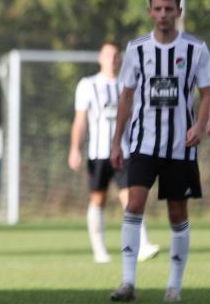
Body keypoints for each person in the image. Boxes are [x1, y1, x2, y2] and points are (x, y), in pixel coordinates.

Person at [109, 0, 210, 303]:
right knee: (134, 205)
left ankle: (174, 286)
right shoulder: (136, 49)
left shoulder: (196, 49)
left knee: (177, 214)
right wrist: (117, 142)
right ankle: (127, 282)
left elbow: (207, 91)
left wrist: (199, 125)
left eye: (169, 9)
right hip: (143, 142)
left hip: (181, 145)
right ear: (149, 12)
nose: (164, 15)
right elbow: (126, 97)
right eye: (158, 9)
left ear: (178, 12)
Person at [68, 41, 159, 263]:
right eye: (108, 55)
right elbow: (80, 120)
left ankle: (142, 245)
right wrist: (75, 149)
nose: (112, 59)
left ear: (120, 59)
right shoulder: (88, 84)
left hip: (124, 152)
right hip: (98, 153)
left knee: (131, 198)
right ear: (100, 58)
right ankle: (99, 250)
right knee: (97, 200)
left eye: (115, 56)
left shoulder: (127, 85)